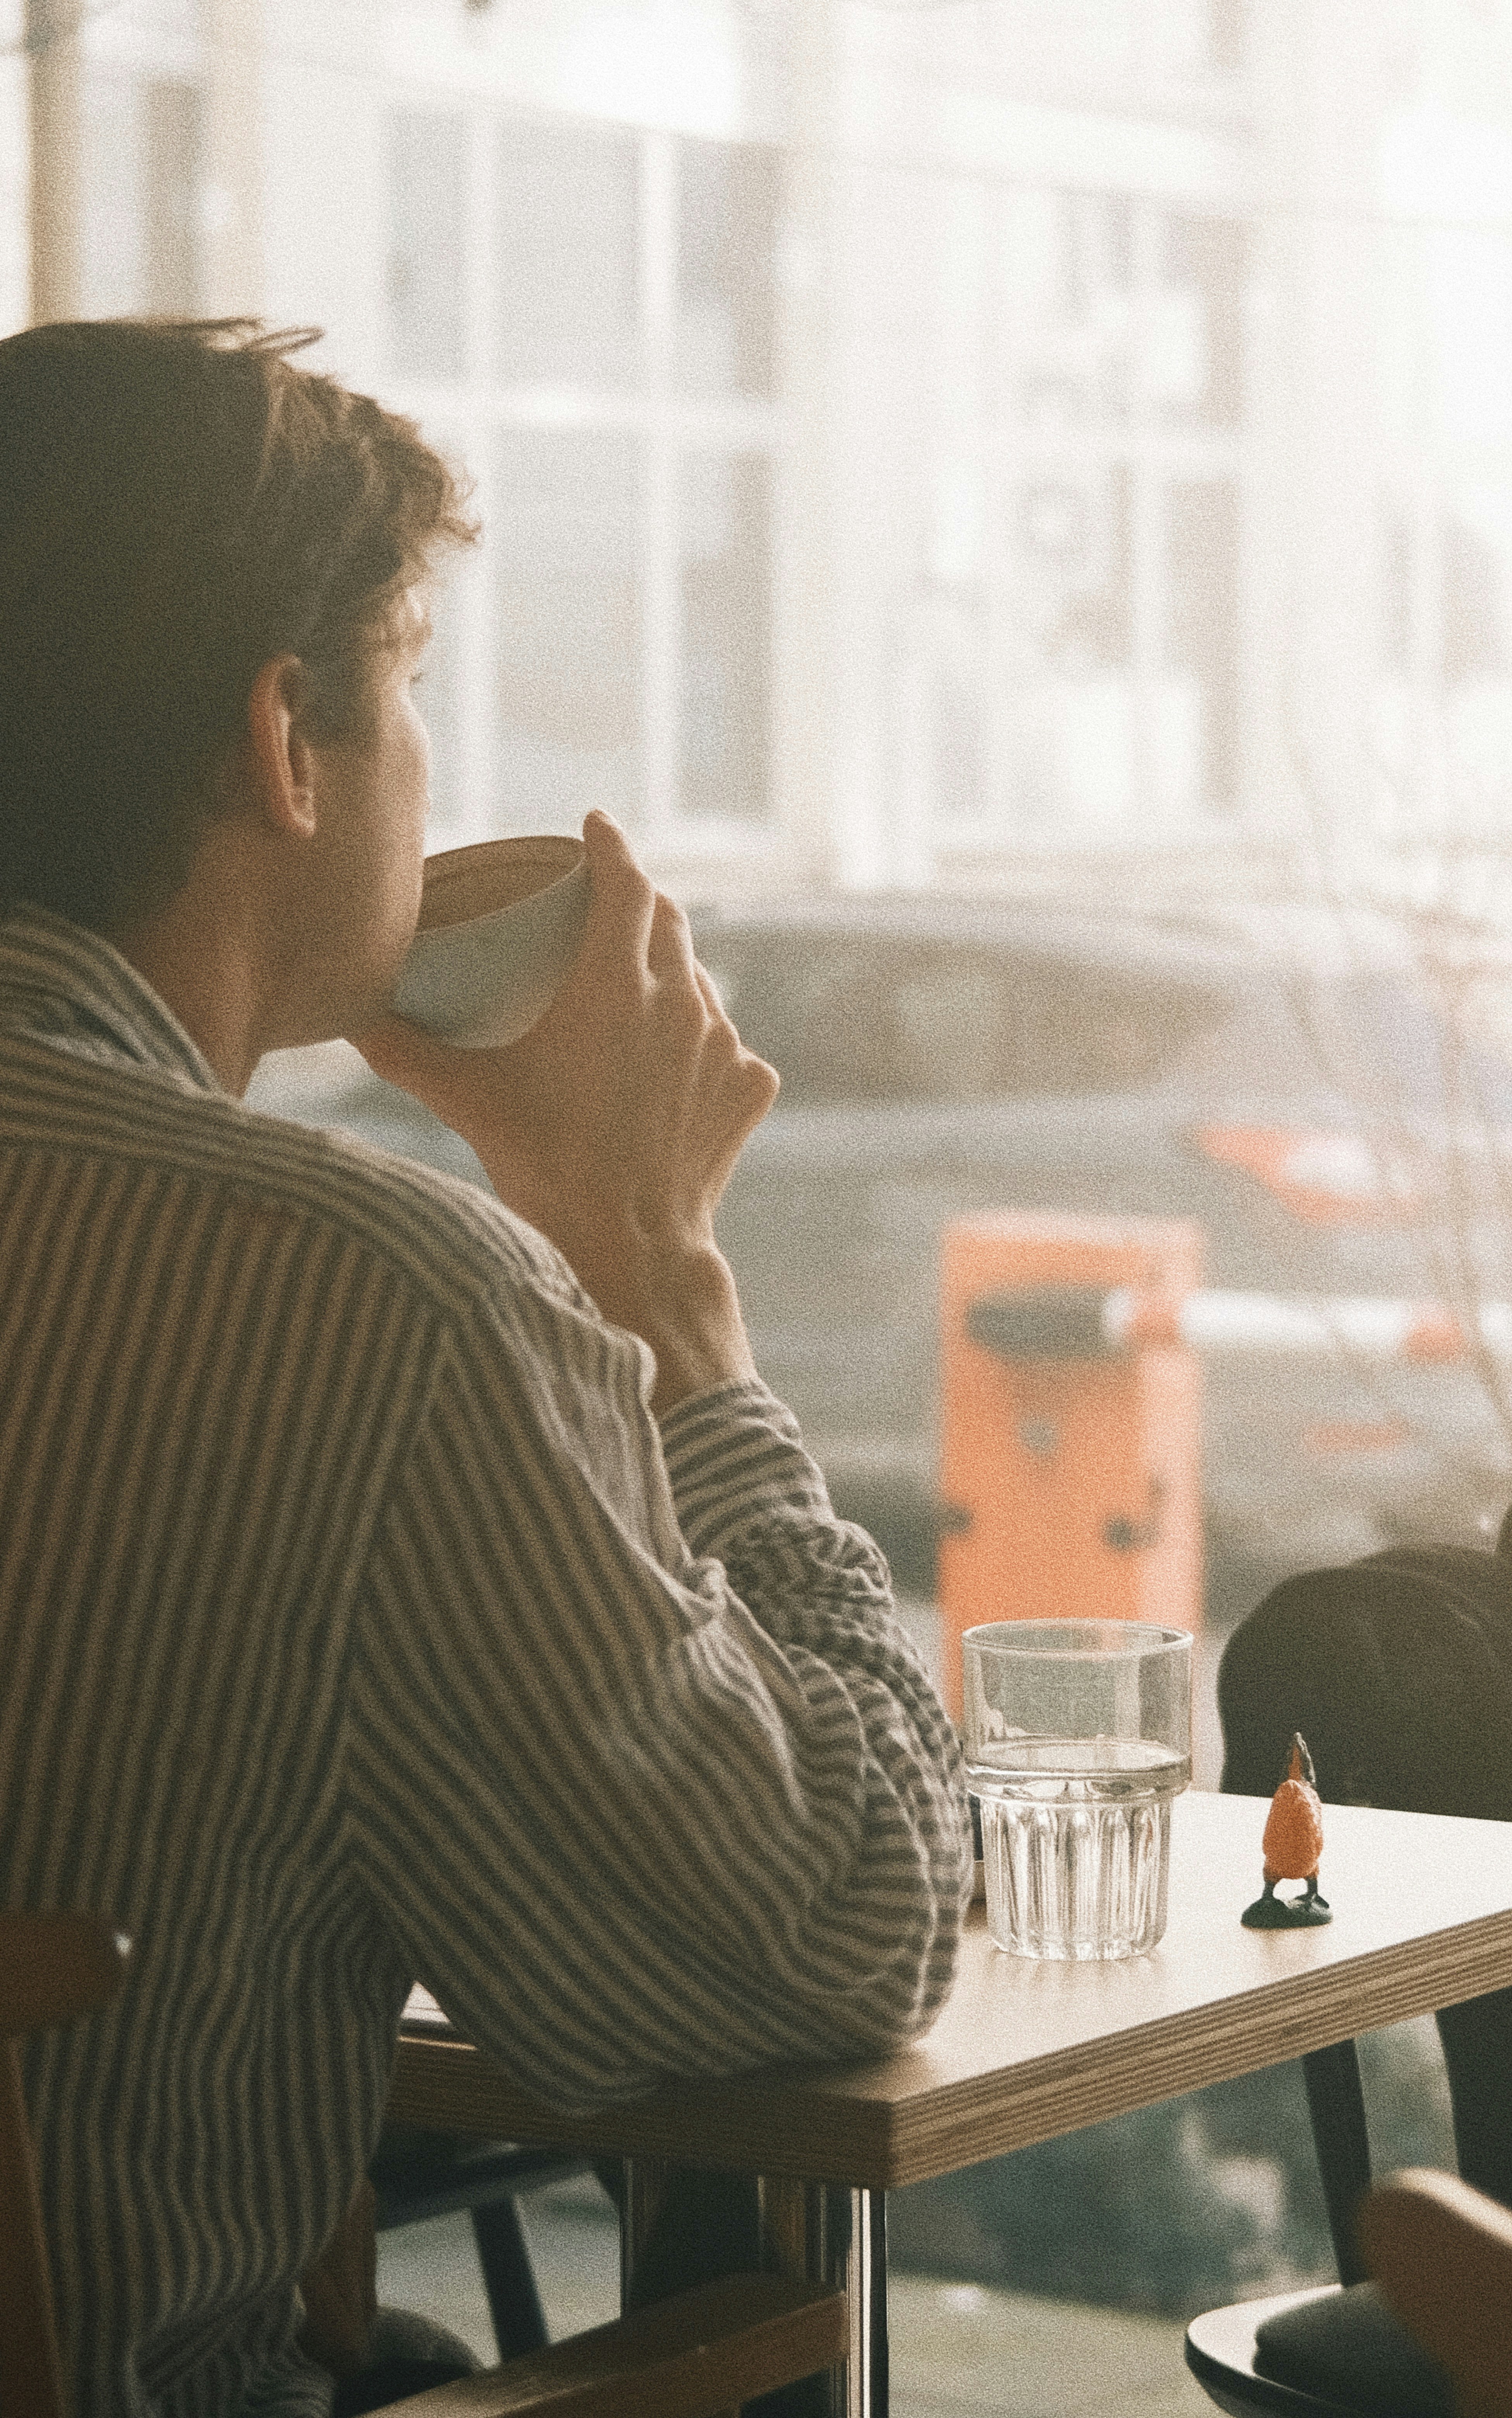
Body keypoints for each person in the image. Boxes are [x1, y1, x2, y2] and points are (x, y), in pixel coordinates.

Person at [0, 317, 968, 2418]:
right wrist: (659, 1278)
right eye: (414, 679)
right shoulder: (354, 1296)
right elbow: (834, 1936)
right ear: (285, 737)